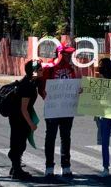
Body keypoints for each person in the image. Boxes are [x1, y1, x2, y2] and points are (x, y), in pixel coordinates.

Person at [39, 44, 80, 178]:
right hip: (53, 109)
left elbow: (74, 85)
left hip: (67, 109)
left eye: (70, 54)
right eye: (67, 54)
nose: (69, 57)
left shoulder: (71, 69)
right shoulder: (48, 68)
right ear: (60, 53)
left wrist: (78, 90)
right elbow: (41, 88)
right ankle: (49, 167)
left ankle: (66, 166)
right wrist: (48, 99)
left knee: (66, 137)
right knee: (50, 138)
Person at [8, 60, 42, 180]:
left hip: (18, 117)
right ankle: (17, 170)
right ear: (34, 72)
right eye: (40, 69)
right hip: (19, 118)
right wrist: (31, 124)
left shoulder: (31, 81)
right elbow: (23, 109)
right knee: (18, 143)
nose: (42, 71)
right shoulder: (27, 85)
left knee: (19, 142)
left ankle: (15, 167)